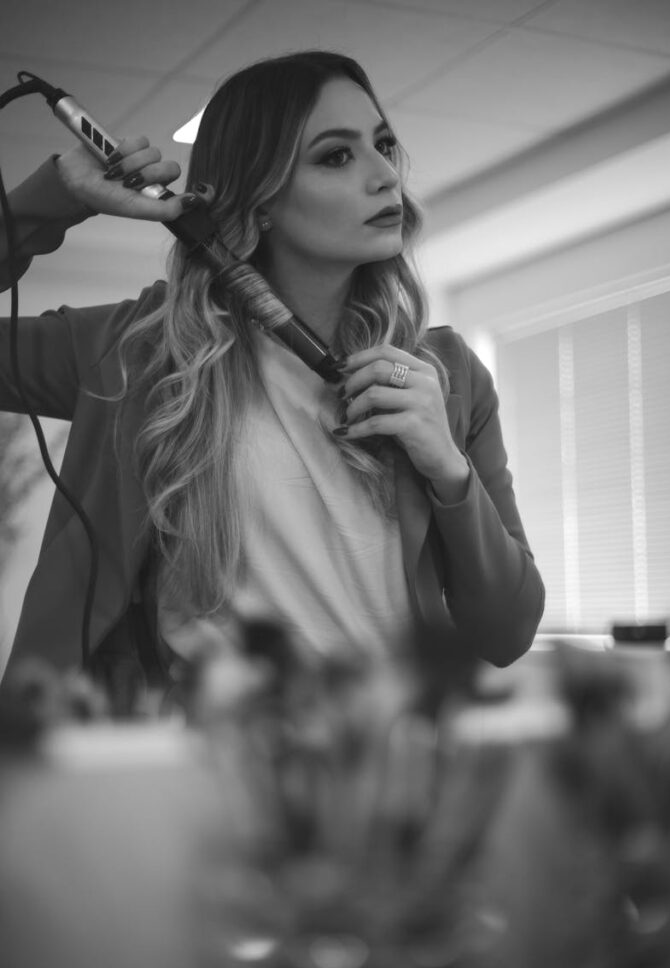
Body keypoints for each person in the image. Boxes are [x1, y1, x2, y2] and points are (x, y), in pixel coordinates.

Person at [0, 51, 544, 701]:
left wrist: (447, 470)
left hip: (386, 764)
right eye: (335, 156)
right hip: (195, 768)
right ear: (258, 202)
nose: (384, 176)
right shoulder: (131, 349)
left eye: (384, 145)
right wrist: (51, 198)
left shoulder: (447, 377)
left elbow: (507, 635)